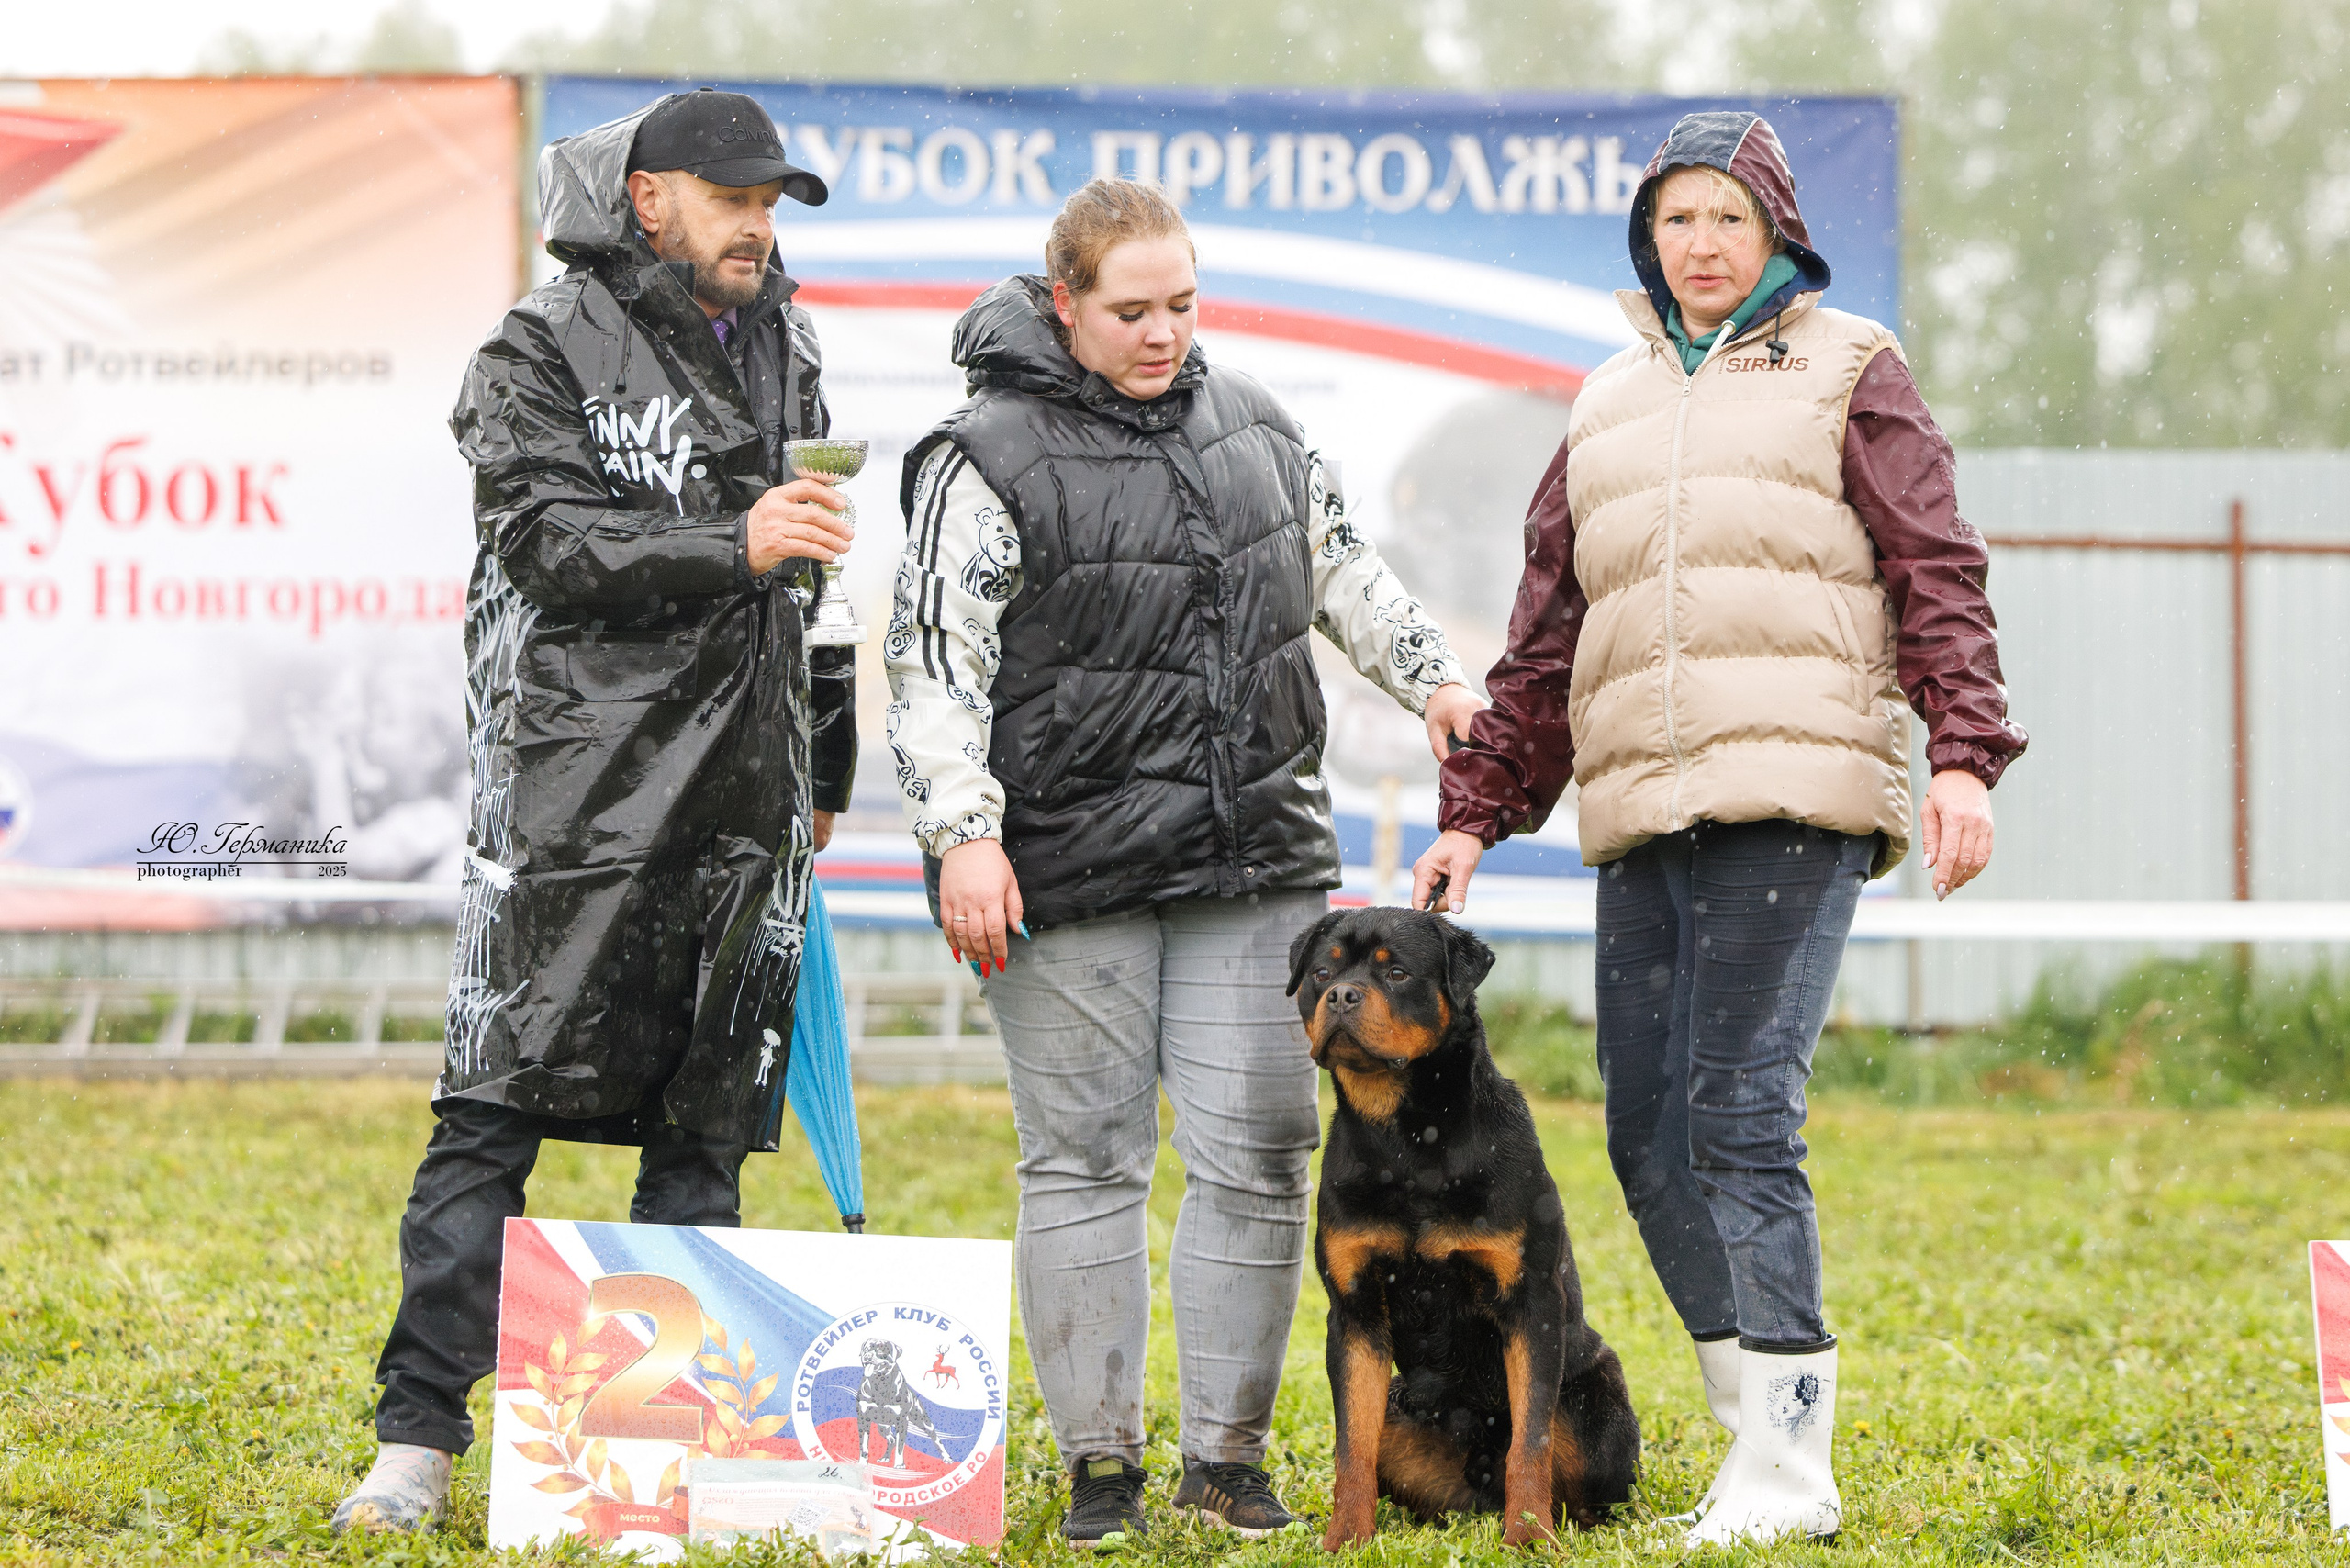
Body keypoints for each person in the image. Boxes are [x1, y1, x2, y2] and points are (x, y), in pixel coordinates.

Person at [1413, 110, 2026, 1547]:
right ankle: (1756, 1436)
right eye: (1676, 220)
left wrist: (1964, 758)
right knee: (1643, 1133)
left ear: (1777, 233)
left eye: (1727, 219)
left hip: (1796, 797)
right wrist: (1478, 816)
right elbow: (1550, 634)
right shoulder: (1607, 399)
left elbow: (1937, 566)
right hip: (1646, 810)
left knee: (1740, 1116)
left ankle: (1795, 1466)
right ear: (1649, 237)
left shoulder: (1852, 369)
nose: (1700, 245)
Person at [884, 178, 1483, 1544]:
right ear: (1064, 305)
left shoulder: (1258, 425)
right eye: (1131, 310)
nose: (1163, 334)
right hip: (1061, 872)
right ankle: (1100, 1462)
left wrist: (1439, 685)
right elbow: (933, 668)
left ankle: (1227, 1460)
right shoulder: (981, 456)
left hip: (1251, 862)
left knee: (1264, 1155)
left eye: (1183, 305)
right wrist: (963, 836)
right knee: (1086, 1163)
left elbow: (1344, 572)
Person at [334, 90, 859, 1533]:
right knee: (491, 1114)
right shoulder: (536, 344)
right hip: (576, 803)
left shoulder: (789, 344)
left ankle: (648, 1459)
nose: (760, 222)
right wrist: (731, 543)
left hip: (744, 808)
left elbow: (807, 585)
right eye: (733, 194)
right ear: (648, 199)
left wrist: (825, 776)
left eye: (776, 200)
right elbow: (549, 543)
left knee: (699, 1138)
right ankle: (416, 1443)